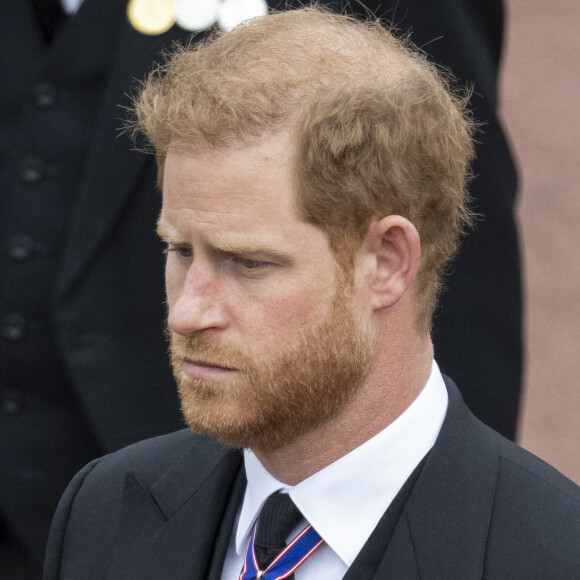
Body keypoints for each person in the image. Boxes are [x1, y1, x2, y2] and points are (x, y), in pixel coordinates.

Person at [43, 7, 579, 580]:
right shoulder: (102, 514)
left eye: (249, 262)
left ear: (388, 263)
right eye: (179, 251)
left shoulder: (552, 555)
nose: (187, 311)